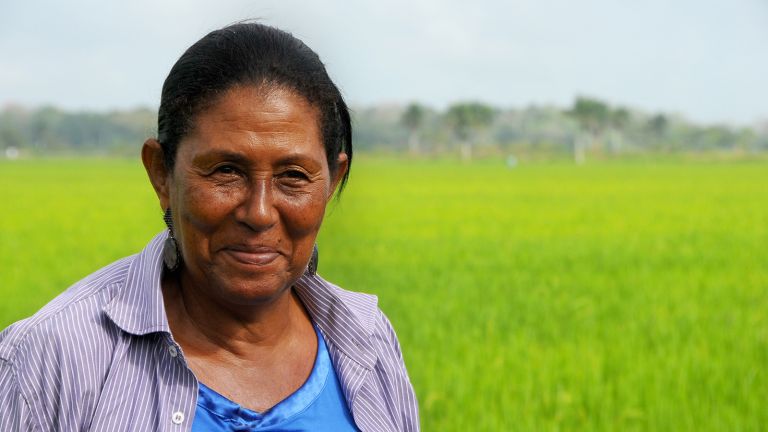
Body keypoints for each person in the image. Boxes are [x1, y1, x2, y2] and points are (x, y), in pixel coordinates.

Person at [0, 22, 419, 431]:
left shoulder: (368, 342)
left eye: (293, 175)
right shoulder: (49, 359)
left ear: (333, 181)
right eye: (225, 171)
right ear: (162, 174)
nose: (258, 213)